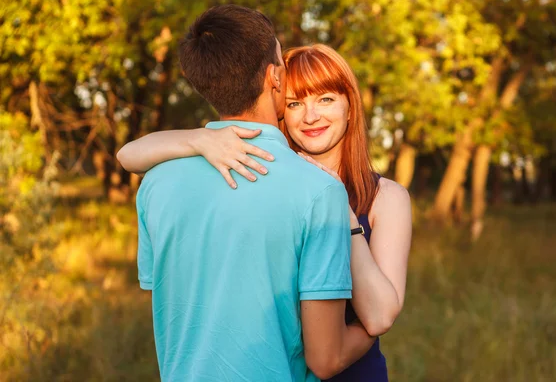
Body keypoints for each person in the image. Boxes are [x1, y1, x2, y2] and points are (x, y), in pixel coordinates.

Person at [119, 43, 412, 381]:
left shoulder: (386, 197)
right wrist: (199, 140)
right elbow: (129, 155)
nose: (311, 116)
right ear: (279, 107)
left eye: (326, 99)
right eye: (295, 103)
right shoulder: (267, 174)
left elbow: (379, 316)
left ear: (350, 105)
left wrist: (344, 217)